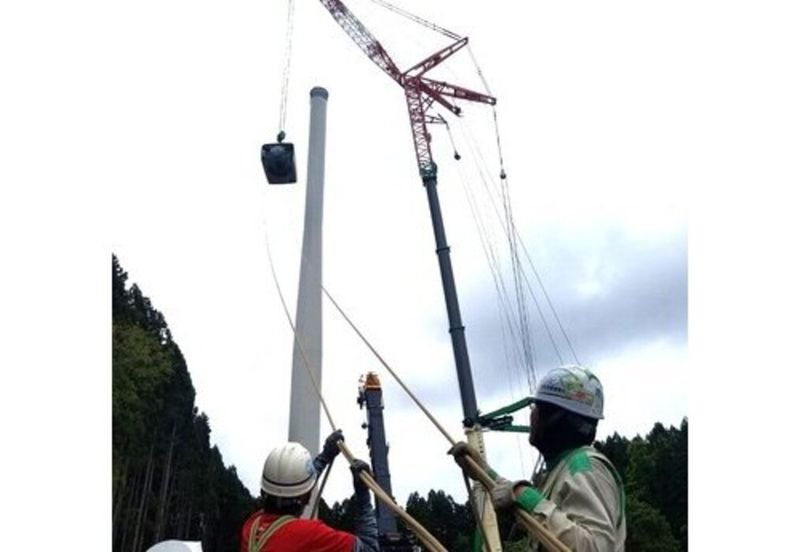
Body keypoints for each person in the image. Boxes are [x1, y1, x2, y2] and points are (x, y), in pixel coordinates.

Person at [451, 365, 626, 551]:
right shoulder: (563, 470)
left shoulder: (582, 466)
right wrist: (484, 473)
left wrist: (523, 496)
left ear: (556, 418)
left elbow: (595, 547)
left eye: (537, 407)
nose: (532, 414)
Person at [241, 430, 379, 552]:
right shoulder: (311, 535)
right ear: (306, 498)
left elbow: (292, 489)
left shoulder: (252, 527)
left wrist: (325, 456)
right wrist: (363, 496)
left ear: (263, 491)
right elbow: (369, 548)